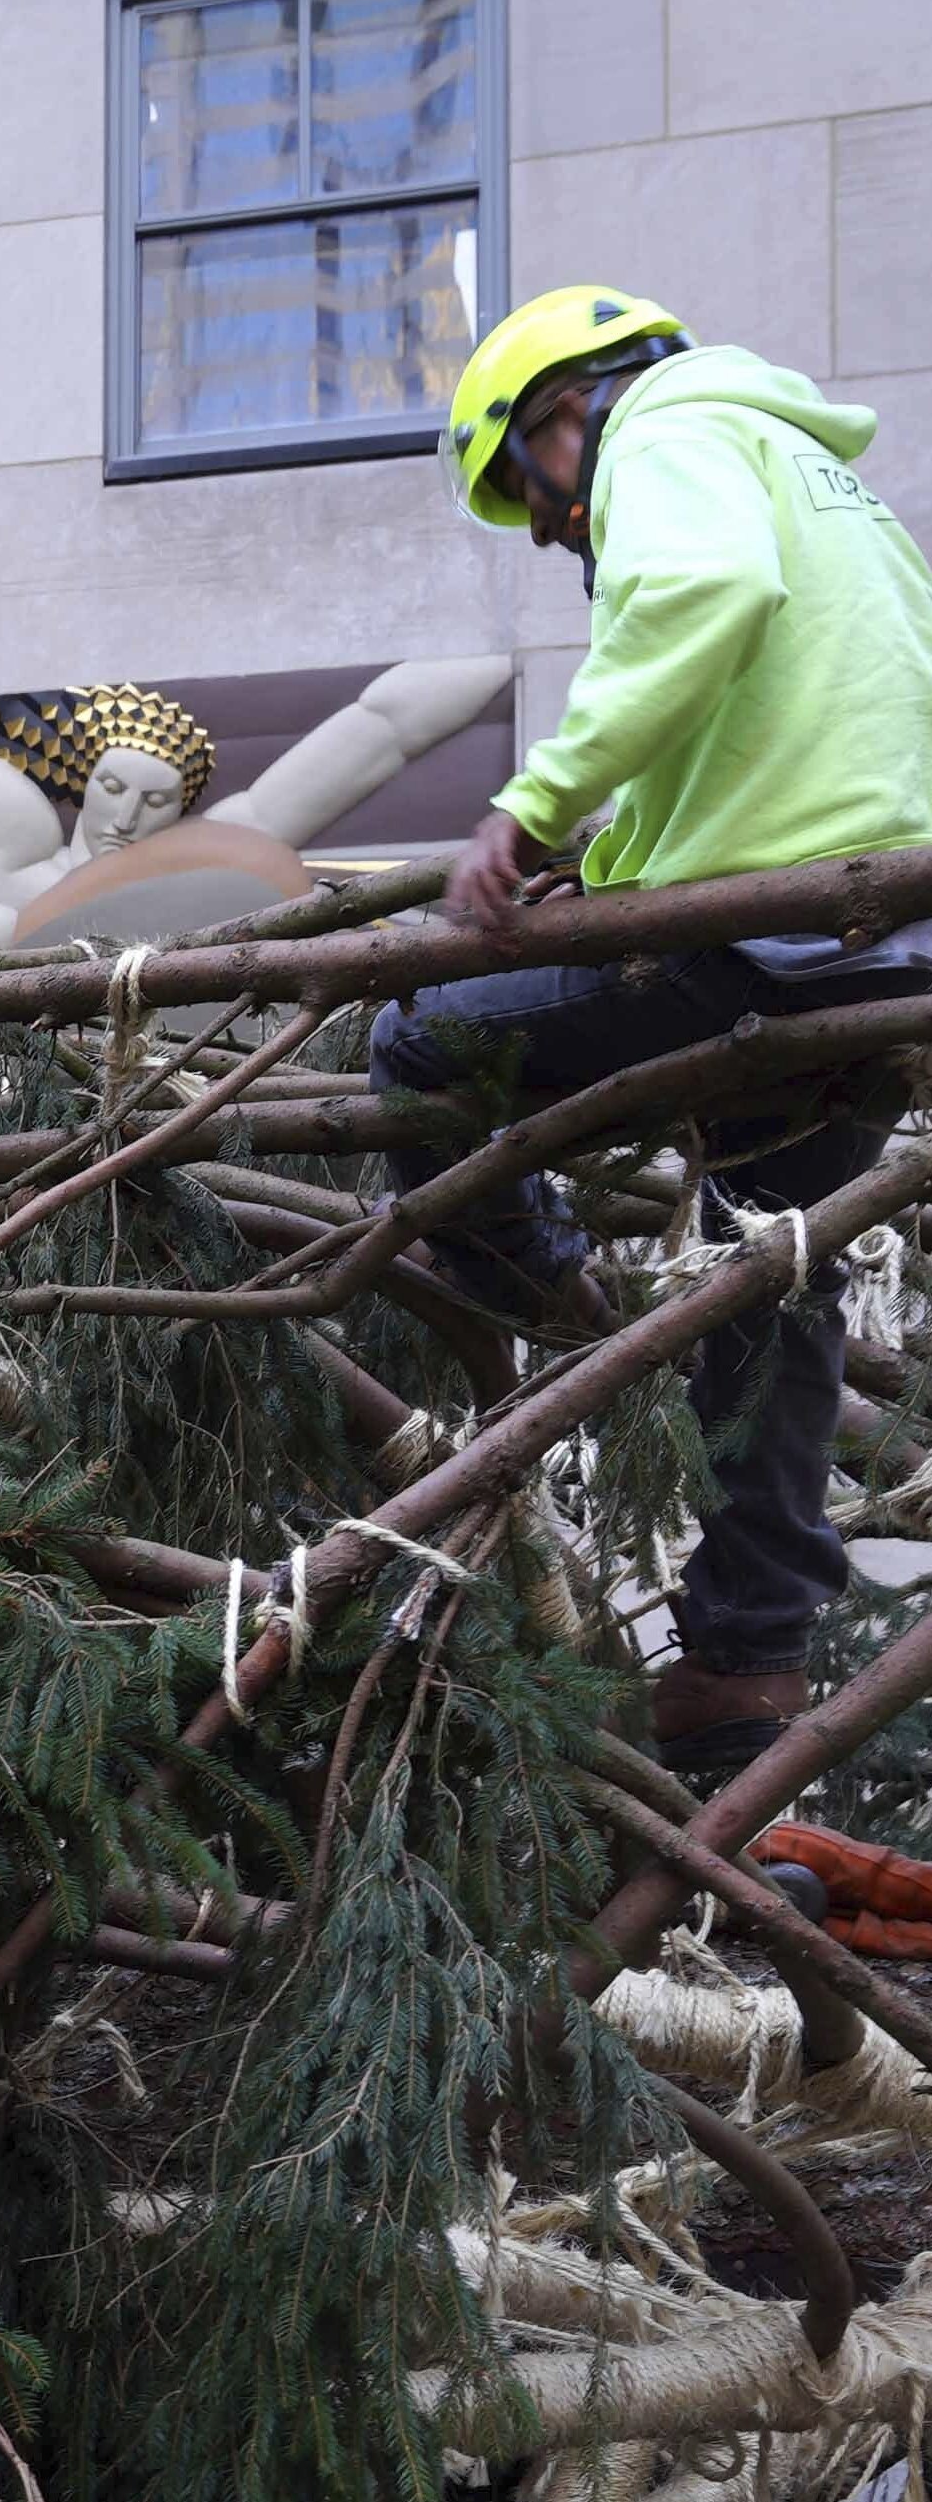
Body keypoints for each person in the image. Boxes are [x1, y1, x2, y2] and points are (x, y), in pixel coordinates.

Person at [365, 284, 932, 1791]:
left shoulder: (671, 430)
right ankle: (742, 1674)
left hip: (765, 950)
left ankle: (548, 1288)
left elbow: (702, 601)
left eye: (539, 504)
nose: (560, 535)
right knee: (773, 1295)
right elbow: (786, 740)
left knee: (422, 1045)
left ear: (564, 415)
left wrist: (527, 809)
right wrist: (605, 870)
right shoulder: (827, 484)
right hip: (880, 959)